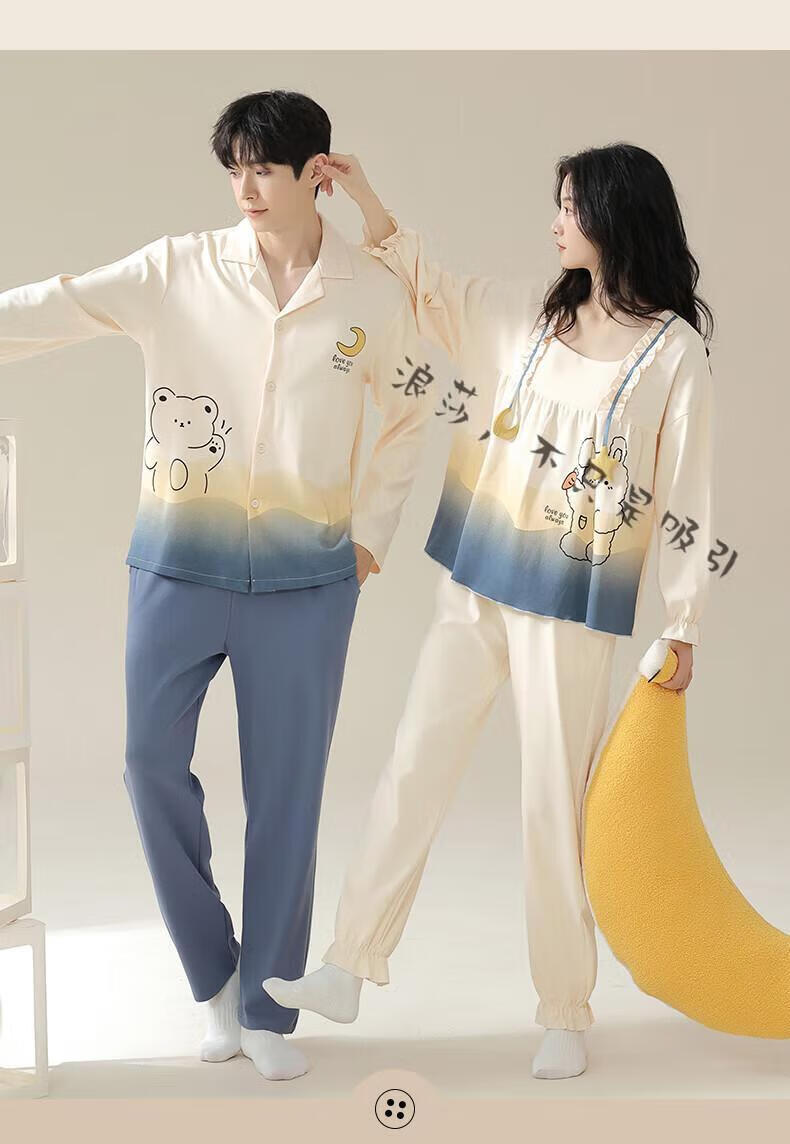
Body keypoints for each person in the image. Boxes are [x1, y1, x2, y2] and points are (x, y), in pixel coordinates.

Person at [0, 90, 436, 1081]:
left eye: (263, 168)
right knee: (147, 764)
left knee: (287, 795)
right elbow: (56, 305)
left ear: (315, 173)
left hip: (308, 582)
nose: (244, 187)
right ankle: (214, 978)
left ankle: (269, 1003)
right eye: (233, 168)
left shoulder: (370, 294)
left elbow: (412, 414)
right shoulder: (178, 269)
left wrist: (368, 539)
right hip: (176, 566)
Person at [263, 143, 716, 1080]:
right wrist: (364, 196)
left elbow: (688, 497)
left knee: (552, 802)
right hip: (476, 579)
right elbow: (423, 283)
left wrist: (682, 625)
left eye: (569, 207)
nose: (555, 223)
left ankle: (564, 1008)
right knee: (413, 763)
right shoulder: (527, 314)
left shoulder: (673, 352)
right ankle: (350, 961)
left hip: (570, 605)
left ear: (615, 215)